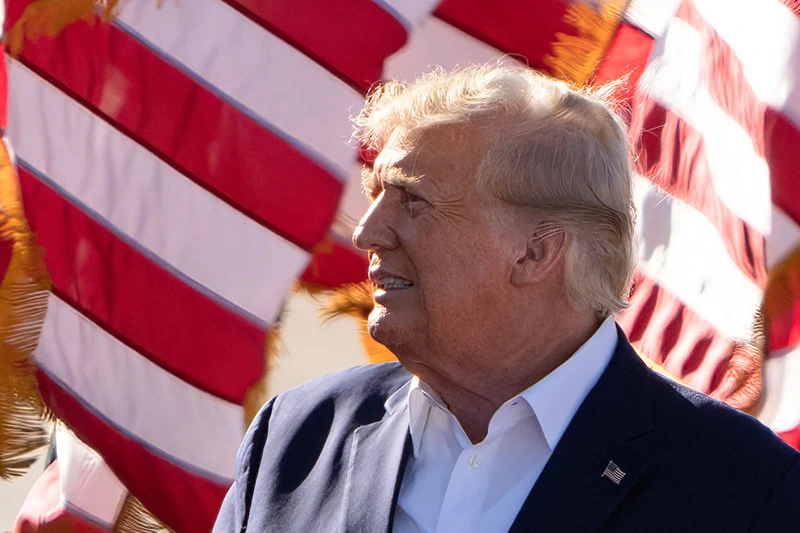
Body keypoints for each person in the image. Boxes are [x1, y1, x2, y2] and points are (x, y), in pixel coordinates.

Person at [213, 61, 800, 532]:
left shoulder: (747, 489)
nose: (366, 232)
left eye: (412, 200)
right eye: (375, 193)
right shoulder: (296, 436)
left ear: (535, 253)